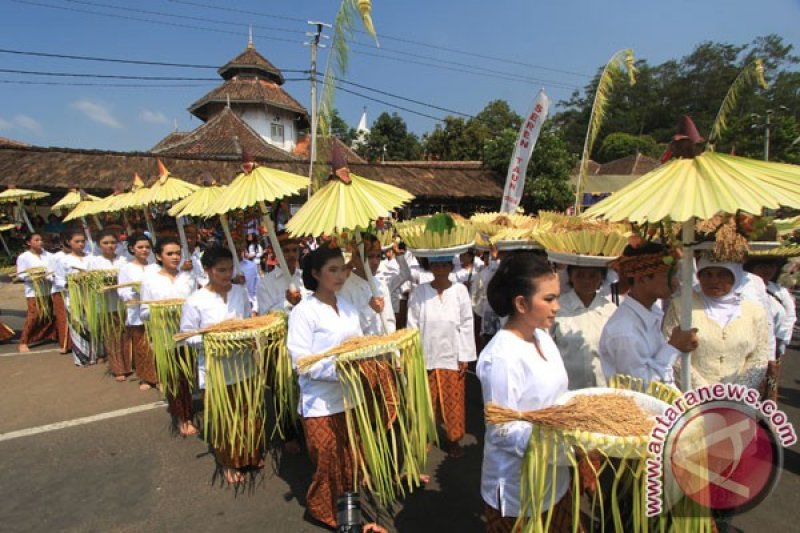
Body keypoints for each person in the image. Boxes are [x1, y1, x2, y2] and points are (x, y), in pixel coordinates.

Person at [477, 252, 576, 532]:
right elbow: (502, 429)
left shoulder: (543, 338)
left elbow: (560, 395)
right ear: (521, 303)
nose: (556, 306)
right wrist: (562, 443)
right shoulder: (502, 356)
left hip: (554, 475)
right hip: (518, 487)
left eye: (557, 296)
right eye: (548, 299)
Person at [287, 244, 362, 529]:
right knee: (327, 459)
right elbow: (302, 362)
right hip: (319, 401)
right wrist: (341, 369)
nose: (340, 275)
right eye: (332, 270)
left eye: (342, 269)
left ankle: (347, 511)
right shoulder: (304, 312)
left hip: (350, 397)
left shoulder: (349, 306)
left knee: (349, 456)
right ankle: (322, 510)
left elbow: (359, 344)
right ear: (315, 274)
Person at [180, 246, 255, 484]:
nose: (227, 274)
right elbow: (187, 336)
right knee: (223, 418)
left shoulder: (240, 293)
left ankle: (247, 457)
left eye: (230, 268)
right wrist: (214, 339)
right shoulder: (196, 301)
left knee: (247, 413)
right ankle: (228, 462)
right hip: (215, 370)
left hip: (243, 365)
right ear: (208, 270)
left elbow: (247, 321)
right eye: (221, 270)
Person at [599, 242, 698, 385]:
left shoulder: (652, 313)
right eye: (667, 275)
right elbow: (641, 388)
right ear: (641, 279)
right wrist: (673, 347)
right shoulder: (625, 331)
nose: (675, 282)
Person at [663, 258, 769, 390]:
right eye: (707, 274)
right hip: (689, 397)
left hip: (739, 400)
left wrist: (737, 392)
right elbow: (670, 348)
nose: (713, 280)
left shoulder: (755, 311)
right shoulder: (681, 306)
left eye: (722, 274)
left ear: (735, 275)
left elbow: (760, 357)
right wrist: (703, 391)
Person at [407, 255, 476, 457]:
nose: (440, 269)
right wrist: (411, 355)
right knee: (426, 401)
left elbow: (466, 323)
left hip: (451, 355)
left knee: (452, 403)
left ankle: (453, 440)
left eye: (445, 264)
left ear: (450, 266)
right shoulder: (420, 292)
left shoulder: (459, 291)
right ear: (430, 266)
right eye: (436, 264)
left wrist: (464, 355)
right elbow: (412, 325)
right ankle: (426, 437)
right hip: (426, 354)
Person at [140, 237, 197, 434]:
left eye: (177, 253)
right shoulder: (151, 281)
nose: (175, 257)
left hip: (188, 336)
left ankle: (189, 410)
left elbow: (196, 303)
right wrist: (165, 310)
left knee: (189, 377)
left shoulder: (188, 277)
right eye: (169, 253)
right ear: (158, 256)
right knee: (174, 379)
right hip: (166, 337)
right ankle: (183, 417)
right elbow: (144, 311)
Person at [551, 265, 617, 389]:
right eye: (580, 275)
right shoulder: (556, 309)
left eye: (593, 275)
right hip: (568, 390)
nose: (586, 281)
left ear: (601, 277)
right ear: (570, 276)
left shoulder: (611, 310)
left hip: (604, 390)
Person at [117, 233, 159, 390]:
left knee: (157, 345)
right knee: (142, 346)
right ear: (132, 248)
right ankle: (146, 378)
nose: (144, 250)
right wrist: (135, 292)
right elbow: (122, 291)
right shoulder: (126, 268)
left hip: (154, 311)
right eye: (140, 247)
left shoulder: (155, 267)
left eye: (147, 247)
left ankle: (160, 377)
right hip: (136, 311)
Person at [89, 229, 128, 378]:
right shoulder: (94, 262)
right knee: (111, 336)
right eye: (105, 243)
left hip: (122, 303)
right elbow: (90, 283)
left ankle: (128, 364)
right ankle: (118, 368)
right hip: (105, 304)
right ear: (99, 245)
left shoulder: (123, 260)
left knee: (124, 334)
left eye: (112, 242)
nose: (109, 246)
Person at [55, 228, 96, 366]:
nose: (81, 244)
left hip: (90, 296)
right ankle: (81, 357)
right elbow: (58, 280)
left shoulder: (91, 258)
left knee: (92, 324)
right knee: (78, 325)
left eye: (83, 241)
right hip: (74, 296)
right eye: (77, 241)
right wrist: (71, 282)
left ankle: (94, 355)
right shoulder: (64, 260)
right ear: (69, 242)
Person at [339, 235, 396, 335]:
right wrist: (369, 309)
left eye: (378, 256)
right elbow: (349, 329)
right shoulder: (344, 288)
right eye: (369, 257)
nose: (375, 262)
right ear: (356, 258)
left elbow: (390, 320)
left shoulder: (381, 284)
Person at [16, 232, 56, 353]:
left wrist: (49, 275)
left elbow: (54, 269)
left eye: (41, 240)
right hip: (33, 291)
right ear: (29, 242)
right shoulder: (24, 257)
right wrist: (34, 276)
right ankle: (23, 341)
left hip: (48, 289)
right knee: (34, 315)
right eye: (36, 240)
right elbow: (21, 274)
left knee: (50, 313)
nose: (40, 242)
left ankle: (50, 334)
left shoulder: (49, 255)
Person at [256, 231, 308, 314]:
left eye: (294, 250)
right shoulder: (265, 283)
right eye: (286, 251)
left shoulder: (306, 277)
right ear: (276, 253)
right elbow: (264, 315)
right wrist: (288, 302)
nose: (291, 255)